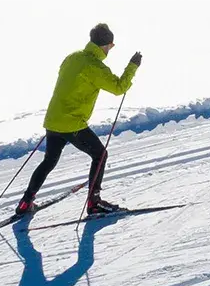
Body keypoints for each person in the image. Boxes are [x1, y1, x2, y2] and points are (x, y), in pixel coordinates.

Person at [16, 23, 142, 219]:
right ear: (104, 45)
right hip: (72, 123)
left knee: (49, 161)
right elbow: (119, 88)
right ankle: (94, 203)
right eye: (110, 46)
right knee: (100, 155)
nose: (110, 49)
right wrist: (132, 67)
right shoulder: (95, 66)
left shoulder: (72, 57)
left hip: (53, 119)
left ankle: (25, 202)